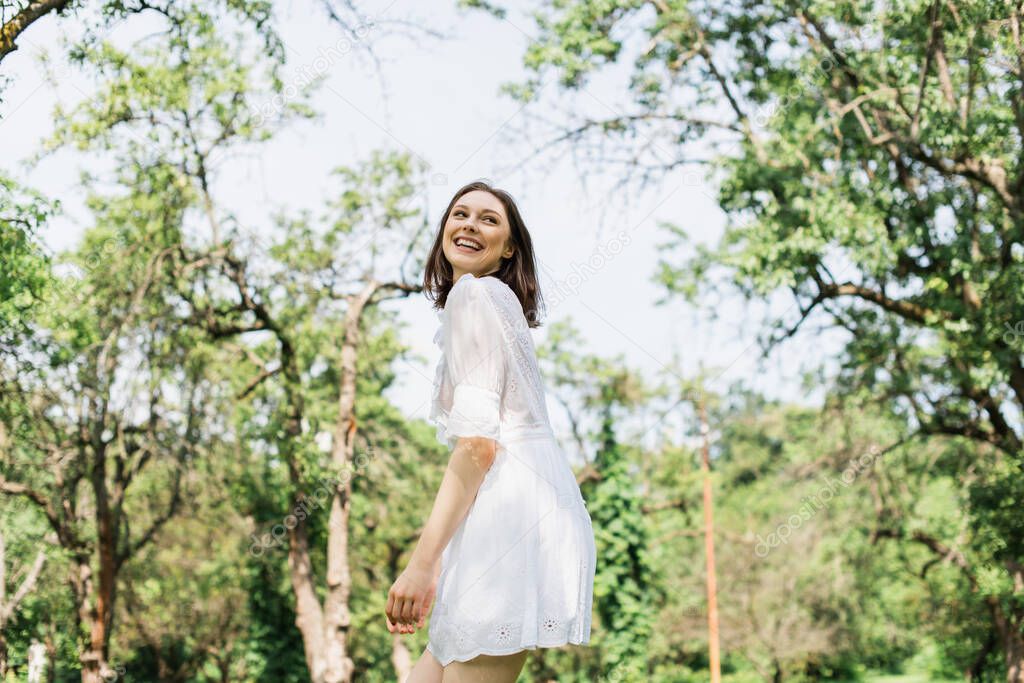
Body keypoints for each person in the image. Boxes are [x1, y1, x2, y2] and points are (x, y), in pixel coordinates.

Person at [385, 181, 597, 682]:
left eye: (488, 219)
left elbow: (478, 445)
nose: (469, 224)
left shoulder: (476, 296)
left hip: (513, 517)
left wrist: (421, 565)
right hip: (508, 513)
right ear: (443, 231)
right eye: (460, 214)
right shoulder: (486, 299)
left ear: (509, 249)